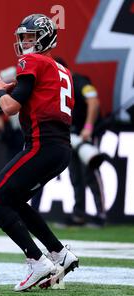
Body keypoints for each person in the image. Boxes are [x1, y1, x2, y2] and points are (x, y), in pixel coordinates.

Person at [0, 13, 79, 292]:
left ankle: (36, 261)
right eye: (23, 37)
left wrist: (0, 90)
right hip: (61, 149)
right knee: (14, 201)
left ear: (45, 38)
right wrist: (6, 91)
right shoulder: (60, 69)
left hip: (42, 144)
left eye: (30, 37)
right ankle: (59, 253)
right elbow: (24, 95)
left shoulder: (33, 61)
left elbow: (10, 107)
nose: (25, 42)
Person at [53, 57, 107, 228]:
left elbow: (93, 102)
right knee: (75, 174)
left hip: (87, 135)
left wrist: (88, 127)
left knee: (90, 172)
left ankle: (101, 214)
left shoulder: (78, 81)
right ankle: (79, 214)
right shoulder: (57, 87)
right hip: (72, 135)